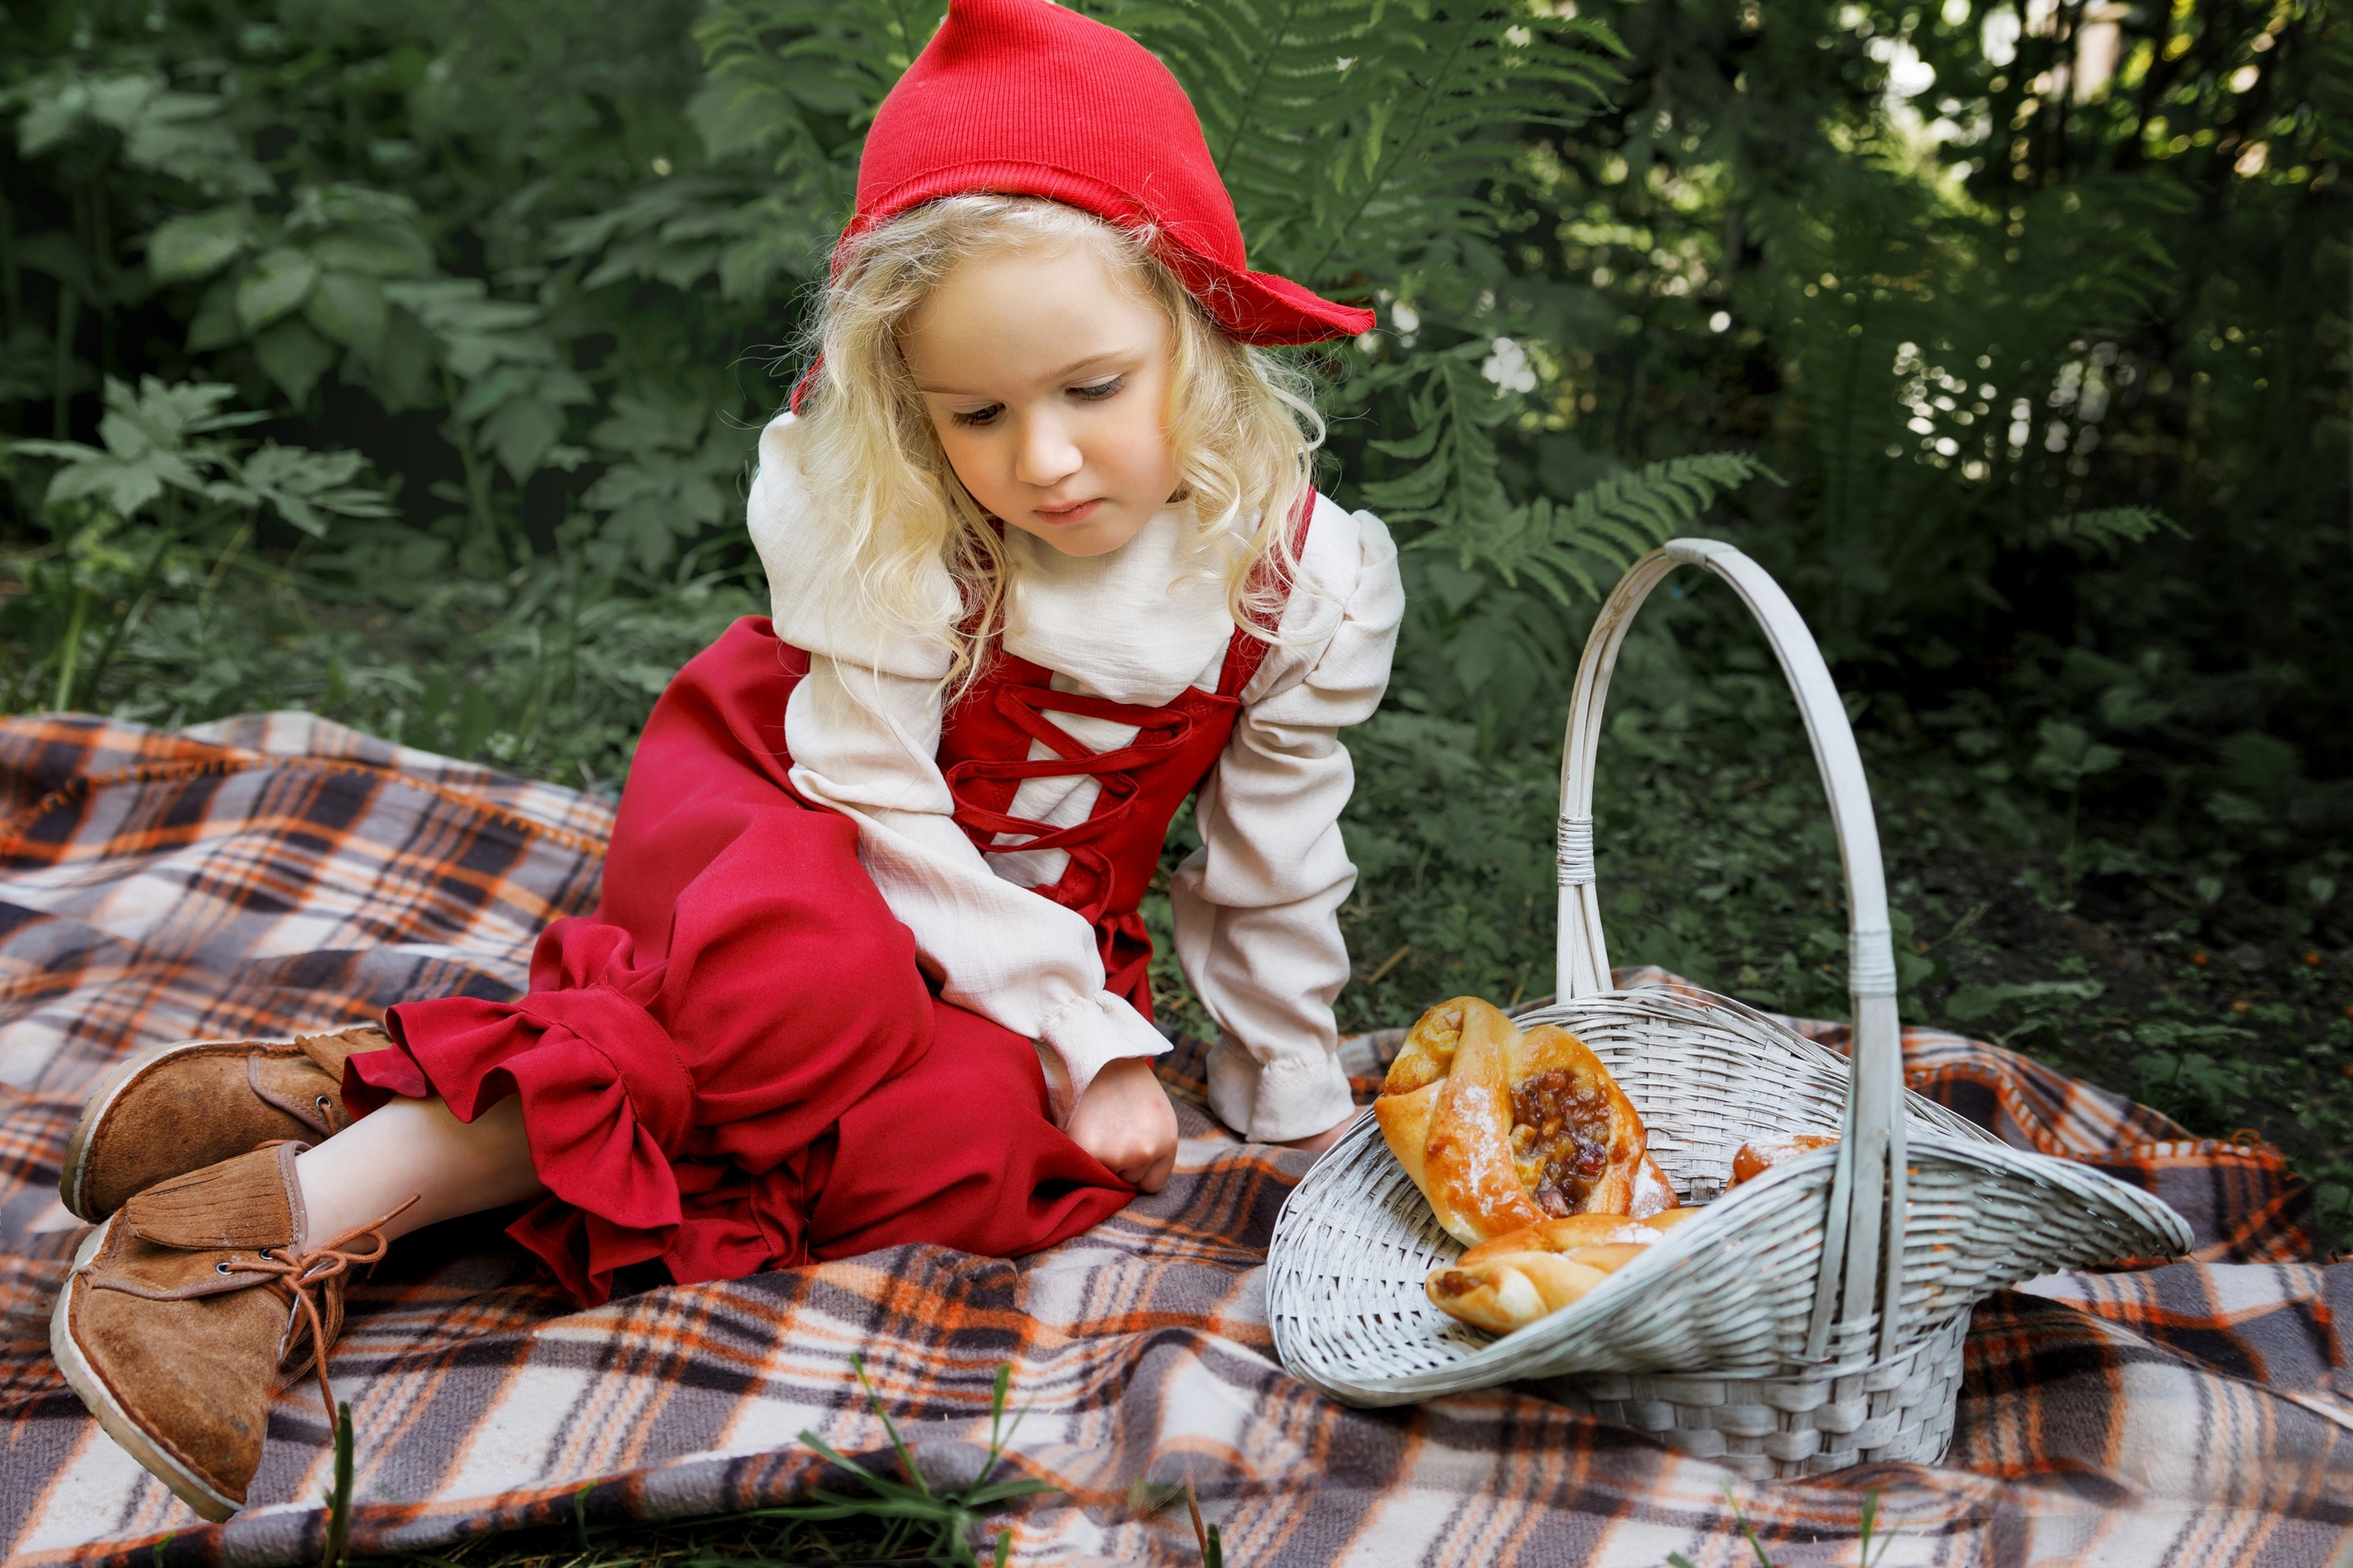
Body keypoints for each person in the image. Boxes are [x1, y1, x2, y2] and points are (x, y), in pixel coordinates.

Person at [45, 0, 1403, 1523]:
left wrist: (1282, 1092)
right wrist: (1087, 1036)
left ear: (1198, 334)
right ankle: (259, 1226)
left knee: (952, 1155)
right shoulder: (905, 528)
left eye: (1094, 386)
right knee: (800, 996)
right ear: (912, 403)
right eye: (979, 412)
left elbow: (1278, 859)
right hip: (801, 809)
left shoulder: (1305, 582)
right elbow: (876, 798)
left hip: (1030, 942)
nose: (1044, 460)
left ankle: (360, 1090)